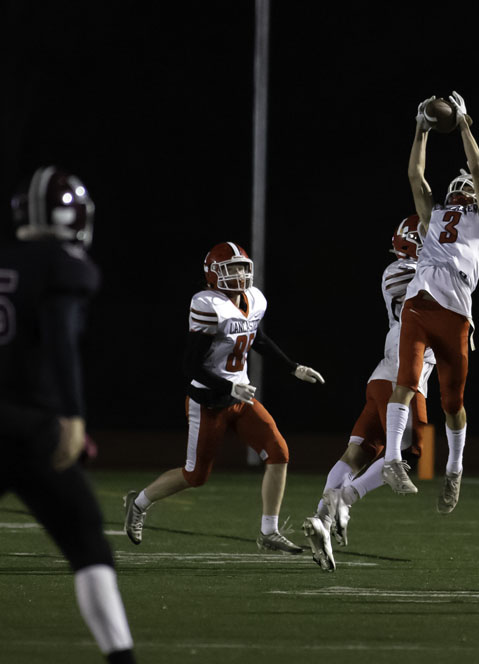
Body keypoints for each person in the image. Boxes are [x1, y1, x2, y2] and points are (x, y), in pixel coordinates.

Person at [1, 166, 136, 663]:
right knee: (88, 547)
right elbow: (60, 342)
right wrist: (73, 417)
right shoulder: (64, 265)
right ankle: (120, 658)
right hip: (36, 429)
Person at [123, 241, 324, 554]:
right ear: (213, 273)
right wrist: (228, 387)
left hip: (239, 398)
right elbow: (190, 366)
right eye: (232, 268)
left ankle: (268, 532)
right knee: (195, 476)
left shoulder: (253, 299)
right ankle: (138, 503)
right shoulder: (207, 303)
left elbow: (254, 336)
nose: (241, 274)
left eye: (244, 267)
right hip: (208, 402)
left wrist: (292, 366)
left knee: (278, 452)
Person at [379, 91, 479, 514]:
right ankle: (391, 461)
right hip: (420, 298)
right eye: (457, 188)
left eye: (467, 189)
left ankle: (454, 469)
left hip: (456, 308)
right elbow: (416, 178)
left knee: (452, 403)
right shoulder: (435, 216)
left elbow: (476, 168)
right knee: (407, 378)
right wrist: (420, 131)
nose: (460, 192)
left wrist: (465, 126)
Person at [301, 215, 437, 571]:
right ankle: (346, 498)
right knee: (413, 449)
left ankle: (321, 520)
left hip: (386, 374)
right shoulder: (400, 271)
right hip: (401, 374)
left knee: (358, 452)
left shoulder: (422, 270)